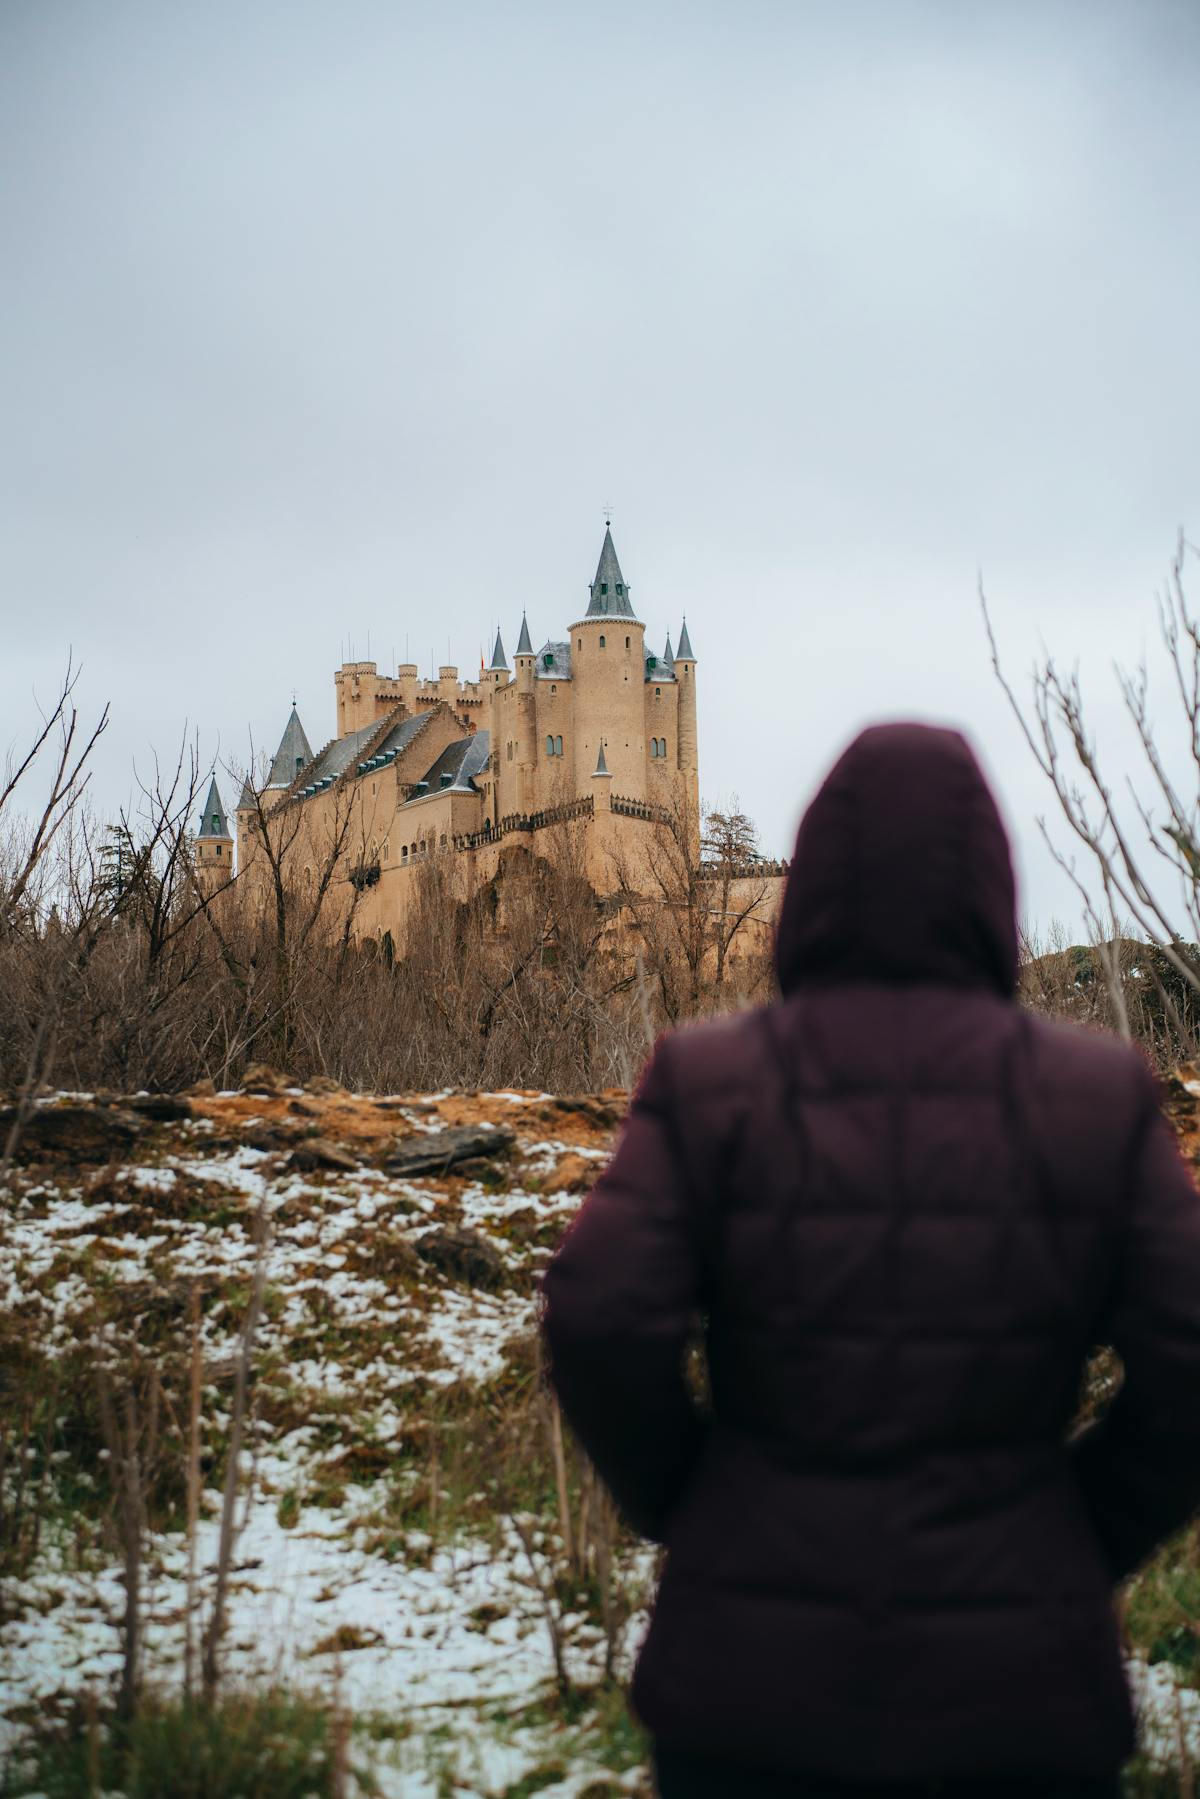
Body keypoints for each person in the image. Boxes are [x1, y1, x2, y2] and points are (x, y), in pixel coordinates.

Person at [541, 722, 1200, 1798]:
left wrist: (698, 1505)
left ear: (814, 880)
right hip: (1019, 1693)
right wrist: (1075, 1529)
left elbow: (598, 1315)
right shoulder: (1099, 1093)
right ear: (993, 882)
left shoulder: (711, 1080)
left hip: (752, 1696)